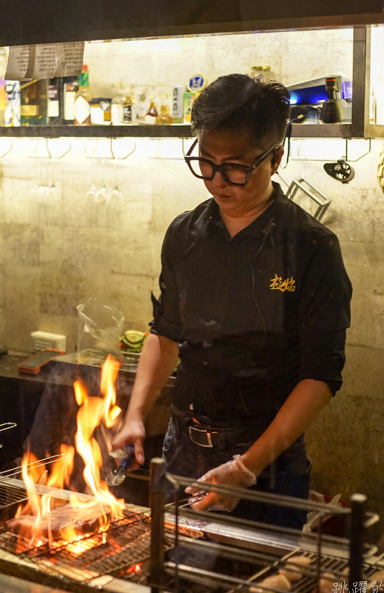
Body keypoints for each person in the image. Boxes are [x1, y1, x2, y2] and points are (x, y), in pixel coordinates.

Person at [113, 74, 352, 529]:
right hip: (182, 449)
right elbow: (165, 334)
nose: (218, 182)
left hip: (265, 462)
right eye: (206, 162)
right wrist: (136, 416)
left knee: (260, 590)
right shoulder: (185, 233)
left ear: (275, 158)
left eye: (235, 168)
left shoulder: (312, 248)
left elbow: (320, 376)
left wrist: (246, 467)